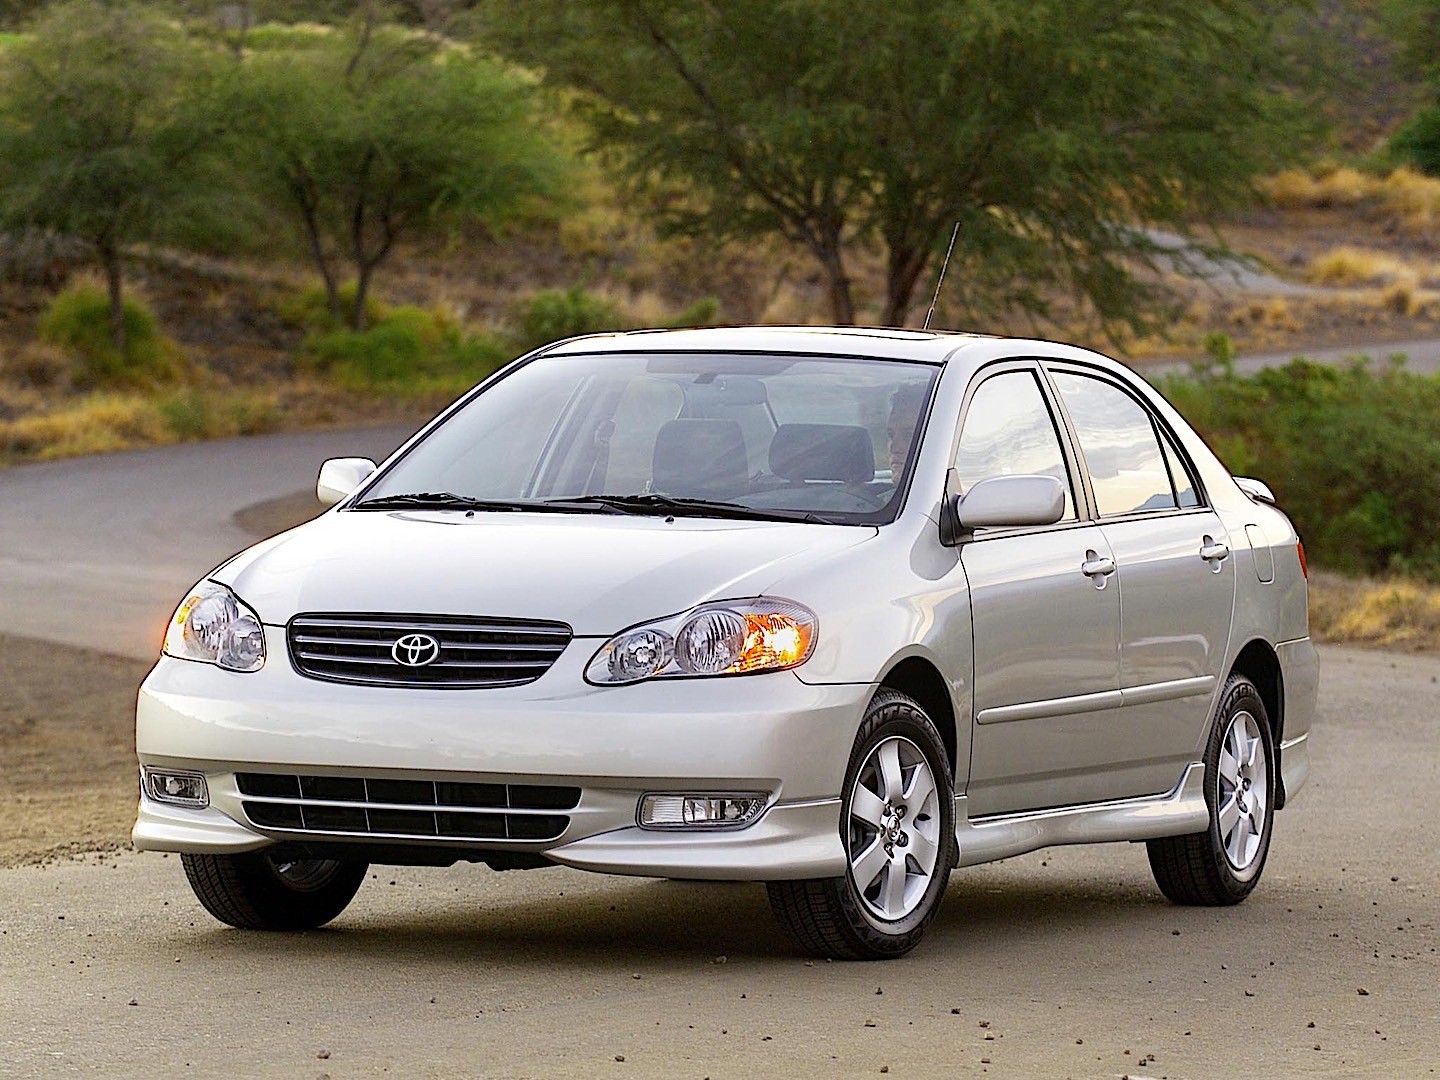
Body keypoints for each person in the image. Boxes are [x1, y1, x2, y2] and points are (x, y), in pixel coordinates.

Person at [886, 382, 928, 483]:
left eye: (909, 436)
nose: (894, 448)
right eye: (891, 435)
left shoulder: (967, 497)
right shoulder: (877, 498)